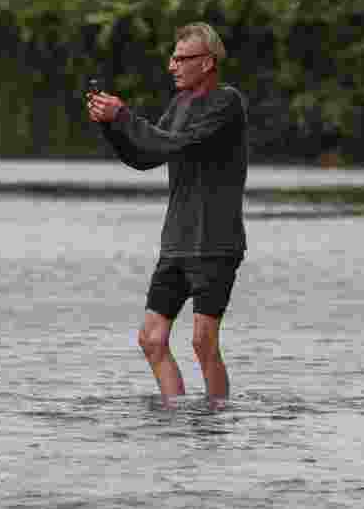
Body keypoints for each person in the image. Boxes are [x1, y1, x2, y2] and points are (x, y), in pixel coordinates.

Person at [87, 22, 248, 407]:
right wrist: (112, 127)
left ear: (207, 63)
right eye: (172, 58)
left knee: (202, 340)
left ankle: (216, 417)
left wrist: (123, 114)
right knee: (151, 338)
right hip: (176, 243)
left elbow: (179, 143)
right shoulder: (179, 104)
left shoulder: (226, 104)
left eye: (181, 58)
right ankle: (175, 414)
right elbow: (148, 154)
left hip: (215, 244)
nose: (172, 66)